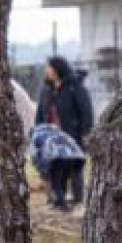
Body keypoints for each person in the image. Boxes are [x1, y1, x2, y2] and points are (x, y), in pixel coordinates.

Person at [34, 56, 94, 206]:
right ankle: (57, 201)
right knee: (54, 169)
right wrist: (38, 133)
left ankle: (78, 201)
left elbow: (86, 113)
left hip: (72, 136)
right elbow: (40, 114)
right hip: (52, 138)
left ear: (57, 69)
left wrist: (85, 134)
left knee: (74, 169)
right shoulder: (45, 90)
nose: (46, 70)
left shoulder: (75, 87)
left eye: (49, 67)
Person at [29, 123, 86, 212]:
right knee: (68, 178)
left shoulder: (36, 135)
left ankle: (60, 205)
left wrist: (43, 173)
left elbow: (35, 156)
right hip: (77, 156)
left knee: (55, 182)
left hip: (58, 157)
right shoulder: (59, 132)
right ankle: (78, 203)